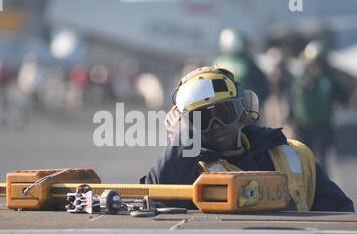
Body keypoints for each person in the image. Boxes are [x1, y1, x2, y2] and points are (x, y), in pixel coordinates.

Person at [140, 65, 354, 212]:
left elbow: (341, 216)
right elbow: (158, 197)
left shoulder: (295, 155)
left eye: (224, 113)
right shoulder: (189, 170)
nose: (216, 126)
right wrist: (183, 137)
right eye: (201, 119)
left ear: (244, 109)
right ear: (185, 126)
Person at [290, 40, 349, 171]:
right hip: (303, 124)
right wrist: (290, 117)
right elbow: (293, 99)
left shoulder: (329, 78)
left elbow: (341, 95)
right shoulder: (300, 78)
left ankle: (321, 186)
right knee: (302, 157)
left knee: (321, 158)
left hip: (323, 124)